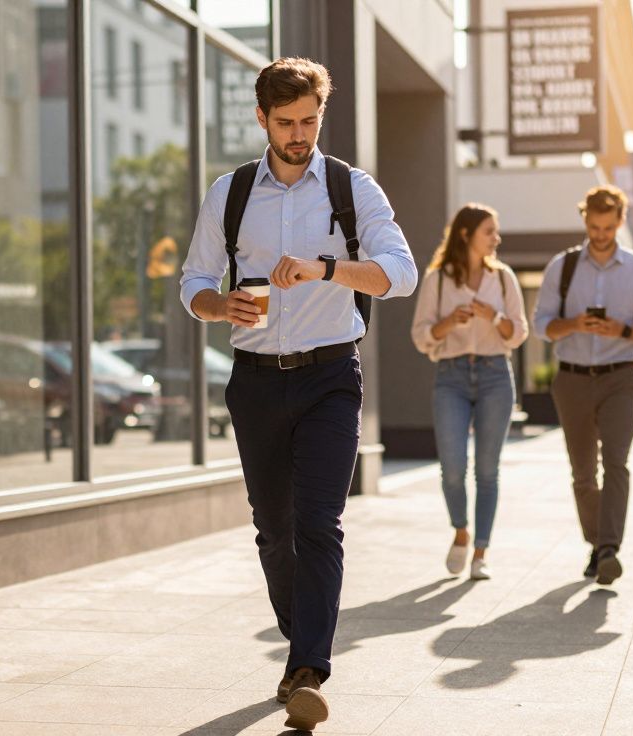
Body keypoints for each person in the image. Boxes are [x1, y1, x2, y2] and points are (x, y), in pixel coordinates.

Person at [179, 58, 416, 732]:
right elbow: (193, 280)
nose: (298, 134)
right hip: (253, 383)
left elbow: (400, 274)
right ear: (261, 119)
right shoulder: (230, 193)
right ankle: (301, 640)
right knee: (273, 530)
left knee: (319, 524)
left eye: (309, 120)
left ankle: (309, 667)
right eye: (285, 122)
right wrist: (219, 307)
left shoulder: (349, 188)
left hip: (329, 379)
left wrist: (326, 268)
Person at [533, 185, 633, 586]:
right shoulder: (563, 266)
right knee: (583, 473)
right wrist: (574, 323)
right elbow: (542, 325)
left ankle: (608, 548)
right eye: (594, 226)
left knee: (617, 463)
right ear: (585, 221)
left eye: (608, 227)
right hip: (572, 379)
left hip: (621, 377)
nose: (601, 234)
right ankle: (596, 544)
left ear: (620, 222)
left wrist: (621, 329)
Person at [411, 204, 528, 581]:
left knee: (488, 470)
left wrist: (491, 316)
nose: (497, 238)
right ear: (466, 235)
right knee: (452, 468)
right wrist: (449, 322)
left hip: (495, 374)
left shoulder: (505, 278)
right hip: (452, 375)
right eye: (489, 232)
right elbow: (420, 334)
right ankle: (461, 531)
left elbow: (519, 333)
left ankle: (481, 551)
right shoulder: (438, 280)